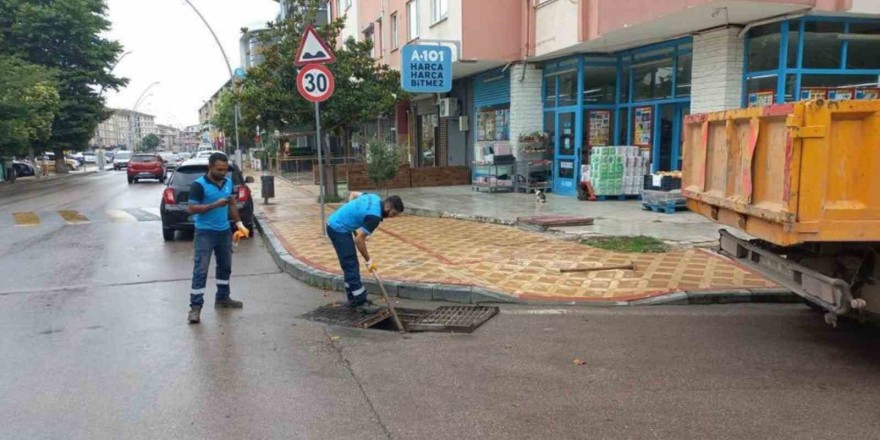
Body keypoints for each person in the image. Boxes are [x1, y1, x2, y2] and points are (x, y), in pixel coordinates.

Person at [186, 152, 250, 324]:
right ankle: (195, 308)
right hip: (205, 233)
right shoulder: (198, 185)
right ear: (210, 167)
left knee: (225, 267)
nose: (223, 173)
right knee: (201, 270)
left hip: (224, 232)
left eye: (225, 169)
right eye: (219, 170)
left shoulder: (228, 183)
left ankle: (222, 298)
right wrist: (214, 205)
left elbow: (231, 204)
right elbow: (192, 208)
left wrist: (239, 224)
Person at [327, 191, 404, 313]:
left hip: (336, 223)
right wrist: (369, 261)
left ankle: (353, 300)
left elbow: (353, 194)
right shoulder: (374, 217)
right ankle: (361, 302)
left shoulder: (373, 197)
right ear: (388, 206)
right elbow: (359, 240)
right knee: (351, 265)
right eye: (393, 214)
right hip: (338, 229)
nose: (391, 217)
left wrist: (351, 211)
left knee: (349, 265)